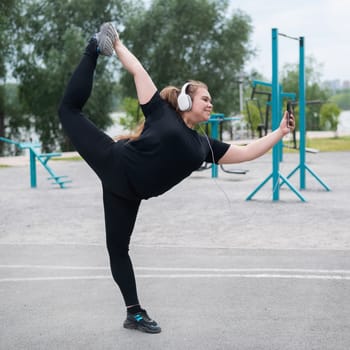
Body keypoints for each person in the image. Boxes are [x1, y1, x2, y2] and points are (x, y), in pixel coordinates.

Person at [58, 22, 295, 334]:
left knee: (117, 249)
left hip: (126, 194)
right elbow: (139, 71)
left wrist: (279, 132)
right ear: (186, 101)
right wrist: (112, 42)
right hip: (113, 161)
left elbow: (248, 151)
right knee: (68, 111)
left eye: (211, 100)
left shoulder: (204, 146)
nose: (210, 104)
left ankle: (134, 313)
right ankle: (92, 46)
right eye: (204, 99)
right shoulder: (161, 112)